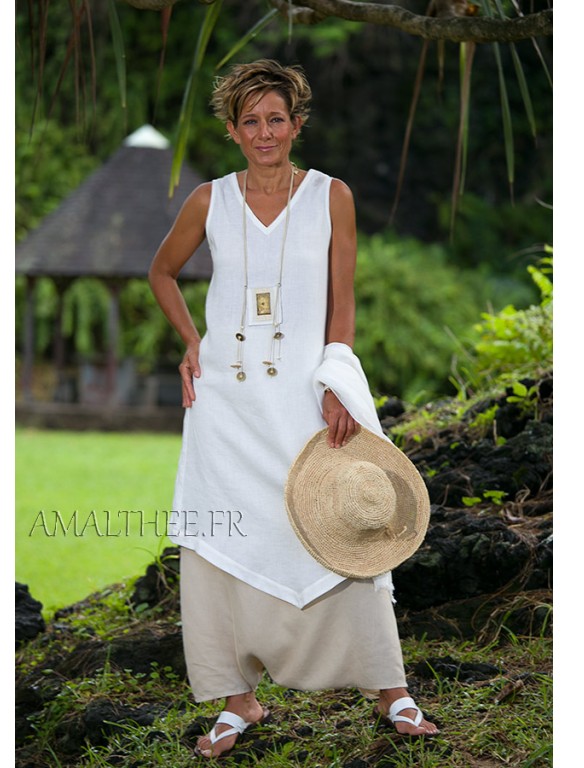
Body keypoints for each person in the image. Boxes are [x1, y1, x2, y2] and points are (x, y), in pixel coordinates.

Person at [148, 59, 439, 759]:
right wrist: (192, 343)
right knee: (219, 537)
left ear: (297, 124)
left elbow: (343, 304)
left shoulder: (331, 196)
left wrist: (336, 379)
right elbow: (161, 271)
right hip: (227, 404)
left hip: (306, 397)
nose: (265, 131)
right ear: (232, 131)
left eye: (276, 118)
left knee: (343, 522)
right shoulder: (208, 200)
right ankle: (235, 698)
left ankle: (389, 688)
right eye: (250, 121)